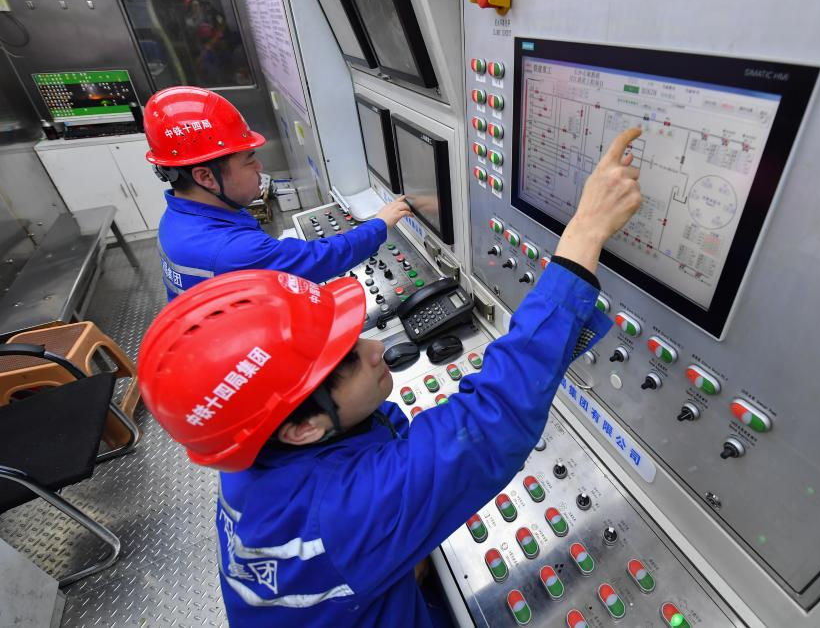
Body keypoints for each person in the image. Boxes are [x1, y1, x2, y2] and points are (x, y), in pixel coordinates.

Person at [137, 128, 643, 626]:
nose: (377, 348)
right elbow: (493, 422)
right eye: (348, 359)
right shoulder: (346, 511)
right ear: (303, 427)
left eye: (354, 338)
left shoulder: (248, 443)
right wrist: (584, 236)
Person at [142, 86, 411, 300]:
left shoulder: (176, 219)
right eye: (249, 160)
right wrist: (380, 224)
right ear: (205, 177)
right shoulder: (232, 251)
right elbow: (320, 259)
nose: (259, 167)